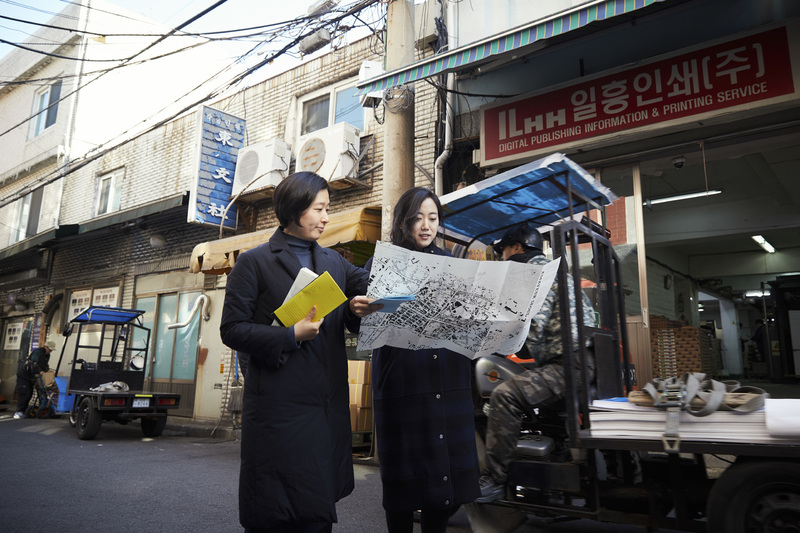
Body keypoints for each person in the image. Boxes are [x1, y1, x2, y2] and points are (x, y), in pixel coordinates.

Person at [219, 171, 380, 533]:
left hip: (325, 410)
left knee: (316, 516)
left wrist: (358, 308)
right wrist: (291, 334)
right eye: (318, 208)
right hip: (279, 410)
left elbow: (369, 288)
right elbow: (231, 329)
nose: (326, 217)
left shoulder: (335, 262)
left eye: (328, 208)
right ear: (293, 209)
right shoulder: (254, 262)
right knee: (276, 513)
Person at [366, 187, 480, 533]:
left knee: (442, 484)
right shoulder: (382, 263)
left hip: (447, 376)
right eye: (417, 218)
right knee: (402, 481)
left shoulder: (452, 264)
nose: (426, 225)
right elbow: (366, 317)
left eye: (432, 218)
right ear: (404, 222)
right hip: (404, 380)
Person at [477, 222, 596, 502]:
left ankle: (494, 479)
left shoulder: (534, 274)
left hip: (569, 365)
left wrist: (491, 341)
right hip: (581, 362)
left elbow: (531, 327)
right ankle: (552, 464)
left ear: (517, 248)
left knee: (505, 397)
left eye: (503, 252)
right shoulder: (556, 272)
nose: (503, 259)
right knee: (531, 392)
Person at [14, 340, 56, 419]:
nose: (50, 352)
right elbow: (33, 363)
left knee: (29, 393)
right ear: (45, 347)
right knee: (24, 392)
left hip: (32, 376)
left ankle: (24, 411)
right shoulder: (38, 352)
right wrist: (40, 371)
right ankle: (19, 412)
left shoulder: (47, 355)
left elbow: (44, 365)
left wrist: (47, 370)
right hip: (24, 374)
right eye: (49, 350)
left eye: (51, 350)